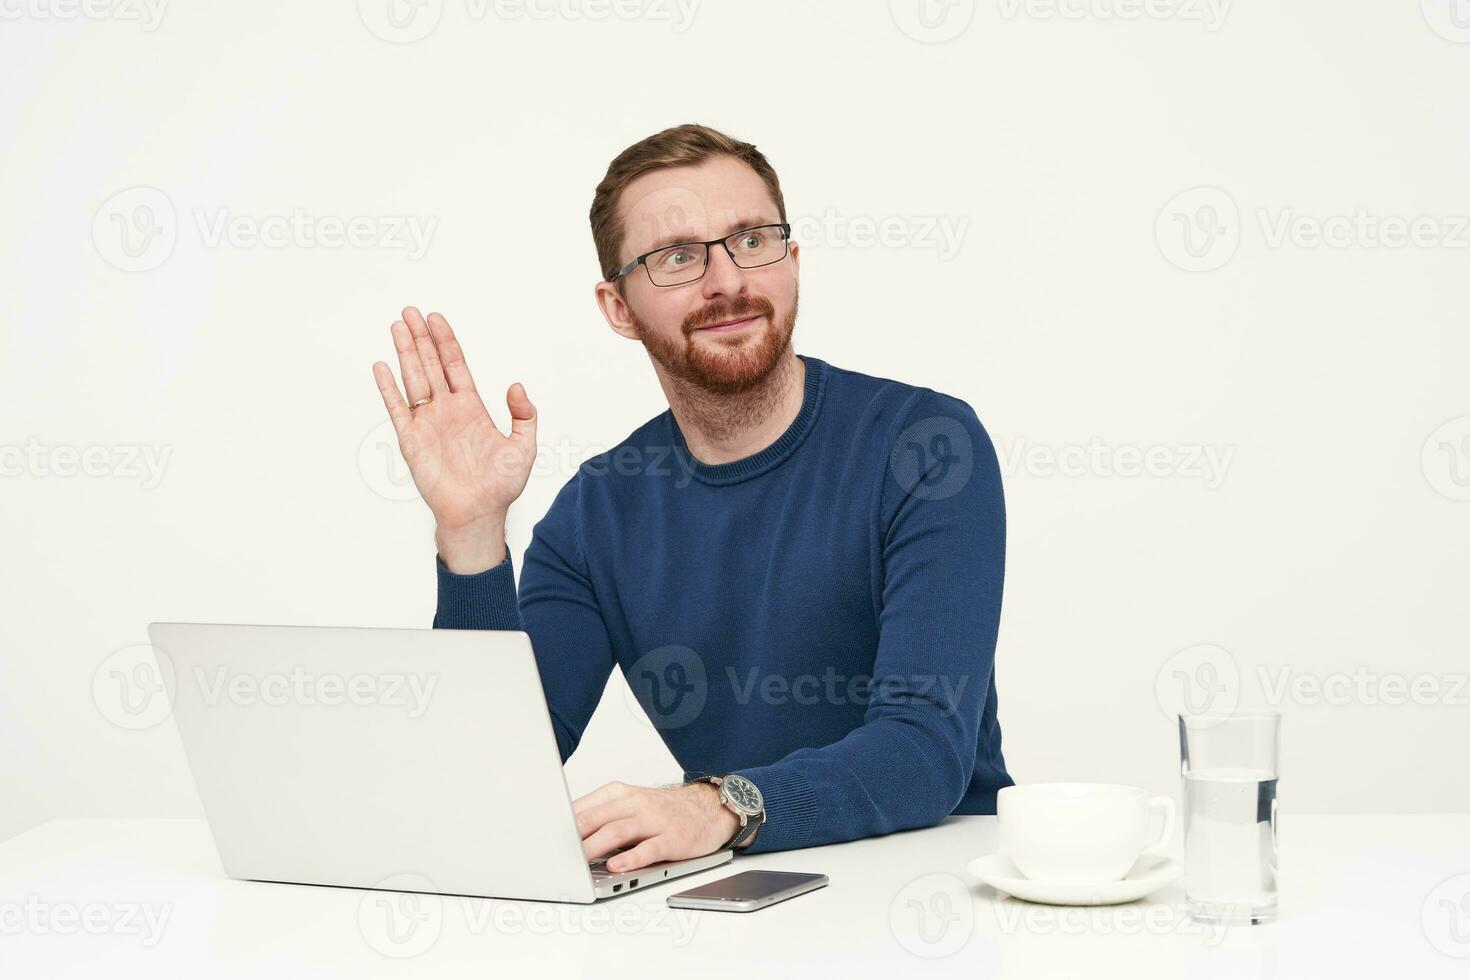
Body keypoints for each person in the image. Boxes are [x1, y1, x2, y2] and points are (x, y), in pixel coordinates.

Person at [371, 123, 1012, 875]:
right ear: (617, 307)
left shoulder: (926, 447)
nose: (727, 280)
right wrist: (472, 535)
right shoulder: (596, 514)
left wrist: (717, 806)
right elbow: (490, 776)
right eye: (678, 258)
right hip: (741, 897)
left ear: (792, 262)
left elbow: (922, 752)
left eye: (751, 240)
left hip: (933, 880)